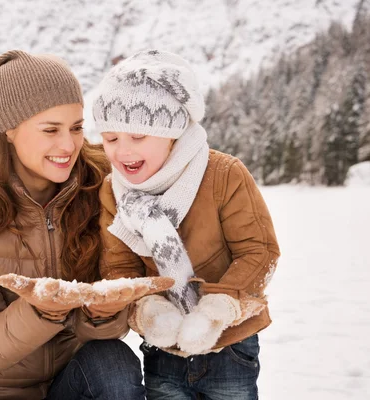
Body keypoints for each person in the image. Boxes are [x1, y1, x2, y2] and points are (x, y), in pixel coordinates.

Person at [0, 50, 164, 399]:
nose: (68, 145)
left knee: (111, 360)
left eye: (76, 127)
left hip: (65, 382)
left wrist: (104, 312)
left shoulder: (100, 188)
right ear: (9, 129)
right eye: (50, 129)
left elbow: (103, 324)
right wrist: (42, 310)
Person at [93, 49, 281, 399]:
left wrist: (216, 310)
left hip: (230, 344)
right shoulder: (113, 191)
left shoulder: (223, 174)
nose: (122, 152)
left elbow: (260, 251)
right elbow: (119, 267)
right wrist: (149, 310)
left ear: (173, 133)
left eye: (138, 136)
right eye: (111, 138)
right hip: (163, 348)